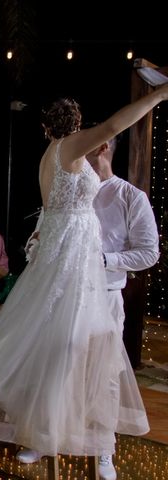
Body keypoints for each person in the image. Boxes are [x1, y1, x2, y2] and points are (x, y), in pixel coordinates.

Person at [0, 84, 168, 480]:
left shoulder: (56, 159)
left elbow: (55, 215)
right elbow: (119, 121)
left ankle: (101, 448)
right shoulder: (69, 148)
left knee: (95, 365)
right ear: (79, 126)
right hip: (73, 275)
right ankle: (45, 433)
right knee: (59, 356)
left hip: (89, 279)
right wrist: (158, 96)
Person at [87, 136, 159, 367]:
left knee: (103, 373)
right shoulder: (67, 193)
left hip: (106, 297)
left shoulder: (131, 197)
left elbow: (149, 253)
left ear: (102, 146)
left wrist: (104, 260)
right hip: (65, 295)